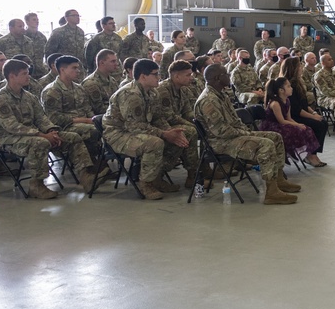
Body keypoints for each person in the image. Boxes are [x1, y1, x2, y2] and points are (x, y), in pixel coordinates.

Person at [0, 59, 95, 198]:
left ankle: (85, 176)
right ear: (12, 76)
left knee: (73, 137)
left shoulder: (29, 97)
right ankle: (36, 185)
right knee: (40, 143)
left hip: (34, 134)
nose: (29, 77)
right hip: (8, 138)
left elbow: (41, 118)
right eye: (24, 74)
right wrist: (42, 135)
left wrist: (51, 130)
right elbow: (12, 126)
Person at [195, 65, 298, 204]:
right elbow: (220, 131)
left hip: (234, 136)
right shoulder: (209, 100)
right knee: (265, 144)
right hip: (221, 143)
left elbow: (234, 120)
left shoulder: (220, 94)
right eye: (225, 73)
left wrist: (245, 131)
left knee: (275, 137)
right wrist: (245, 133)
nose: (229, 75)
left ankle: (279, 180)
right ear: (217, 78)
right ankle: (271, 192)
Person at [102, 59, 192, 200]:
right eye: (155, 75)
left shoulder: (152, 93)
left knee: (182, 135)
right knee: (154, 143)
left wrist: (171, 133)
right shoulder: (130, 94)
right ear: (143, 76)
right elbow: (134, 126)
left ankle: (157, 177)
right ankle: (146, 184)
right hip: (118, 134)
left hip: (138, 130)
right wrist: (163, 134)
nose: (159, 78)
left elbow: (158, 118)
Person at [40, 55, 104, 164]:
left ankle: (100, 161)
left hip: (84, 122)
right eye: (74, 68)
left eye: (78, 68)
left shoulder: (79, 88)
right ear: (62, 70)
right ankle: (92, 165)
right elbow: (54, 118)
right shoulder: (52, 91)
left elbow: (87, 108)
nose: (78, 71)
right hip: (64, 127)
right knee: (93, 130)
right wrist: (84, 120)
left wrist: (94, 119)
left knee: (106, 125)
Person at [153, 60, 201, 188]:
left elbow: (187, 112)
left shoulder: (183, 89)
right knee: (190, 131)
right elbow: (169, 117)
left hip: (174, 123)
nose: (191, 78)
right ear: (176, 76)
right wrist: (192, 125)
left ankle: (198, 171)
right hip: (161, 125)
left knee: (200, 128)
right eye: (187, 75)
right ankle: (190, 173)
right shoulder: (163, 90)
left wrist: (198, 122)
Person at [259, 76, 323, 167]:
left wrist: (298, 124)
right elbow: (281, 121)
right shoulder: (275, 103)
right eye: (289, 86)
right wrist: (297, 126)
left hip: (283, 124)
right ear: (281, 90)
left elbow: (288, 118)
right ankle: (290, 154)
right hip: (273, 126)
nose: (291, 88)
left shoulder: (287, 101)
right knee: (293, 132)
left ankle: (309, 155)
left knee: (307, 129)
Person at [279, 57, 328, 163]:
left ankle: (312, 153)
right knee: (318, 125)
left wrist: (314, 112)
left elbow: (304, 104)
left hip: (302, 113)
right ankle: (311, 155)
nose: (301, 68)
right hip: (293, 117)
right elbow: (296, 109)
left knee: (323, 122)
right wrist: (313, 117)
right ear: (294, 68)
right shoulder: (288, 85)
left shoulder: (298, 82)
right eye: (299, 66)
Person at [82, 49, 120, 115]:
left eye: (116, 61)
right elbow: (98, 109)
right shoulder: (91, 83)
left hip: (112, 115)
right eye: (113, 61)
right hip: (99, 119)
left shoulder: (112, 80)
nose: (116, 64)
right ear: (102, 63)